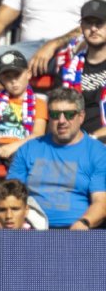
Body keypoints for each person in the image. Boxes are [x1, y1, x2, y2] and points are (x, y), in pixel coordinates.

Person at [8, 87, 106, 230]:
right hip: (31, 229)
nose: (61, 121)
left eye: (69, 114)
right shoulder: (29, 149)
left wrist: (84, 222)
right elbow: (11, 195)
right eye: (55, 114)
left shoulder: (98, 152)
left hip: (77, 230)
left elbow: (101, 202)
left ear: (81, 116)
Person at [0, 0, 84, 104]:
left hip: (72, 46)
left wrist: (53, 44)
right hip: (28, 48)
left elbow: (93, 25)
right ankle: (16, 116)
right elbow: (0, 20)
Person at [0, 50, 47, 170]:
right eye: (7, 77)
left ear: (28, 74)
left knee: (22, 164)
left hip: (22, 147)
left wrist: (12, 147)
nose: (13, 81)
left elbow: (38, 134)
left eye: (17, 75)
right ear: (1, 79)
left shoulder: (39, 103)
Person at [55, 0, 106, 141]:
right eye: (89, 23)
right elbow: (56, 115)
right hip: (71, 143)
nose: (94, 28)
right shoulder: (66, 72)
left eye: (99, 23)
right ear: (82, 27)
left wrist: (91, 139)